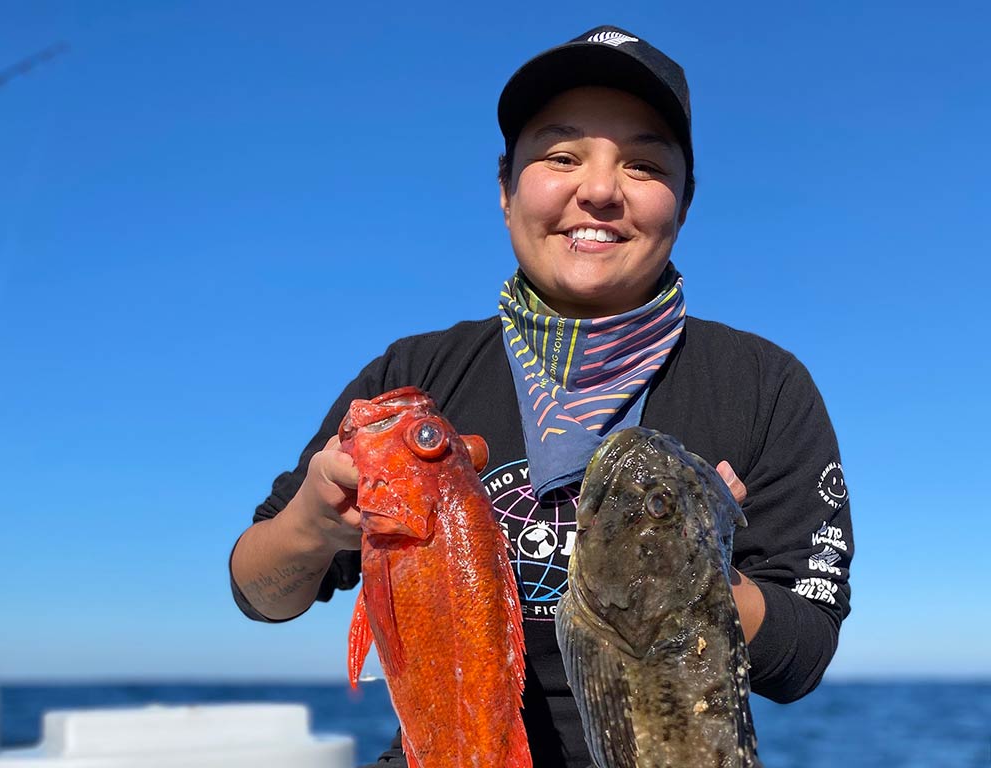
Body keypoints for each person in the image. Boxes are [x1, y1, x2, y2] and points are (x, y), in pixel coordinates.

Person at [229, 24, 853, 768]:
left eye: (645, 163)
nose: (598, 189)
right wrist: (313, 525)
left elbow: (802, 654)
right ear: (504, 189)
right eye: (561, 156)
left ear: (684, 203)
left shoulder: (763, 383)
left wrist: (693, 571)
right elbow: (261, 593)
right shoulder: (414, 380)